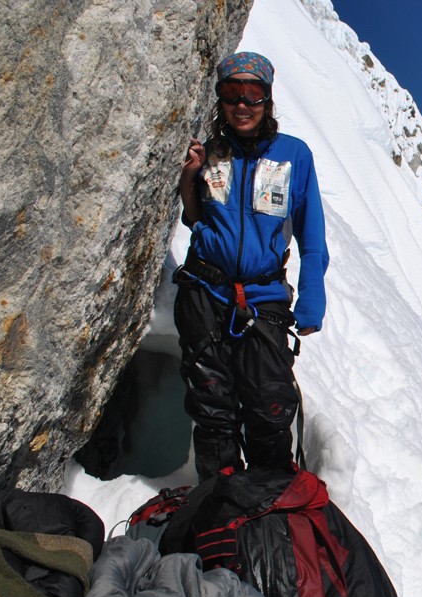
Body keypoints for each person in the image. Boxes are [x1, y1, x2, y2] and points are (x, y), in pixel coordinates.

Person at [173, 51, 329, 482]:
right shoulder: (208, 152)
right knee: (212, 411)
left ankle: (269, 505)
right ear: (220, 99)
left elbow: (312, 240)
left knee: (270, 408)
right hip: (206, 291)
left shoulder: (294, 156)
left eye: (253, 94)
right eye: (231, 93)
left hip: (264, 298)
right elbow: (194, 218)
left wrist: (312, 297)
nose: (242, 104)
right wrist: (190, 179)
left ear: (267, 100)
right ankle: (219, 505)